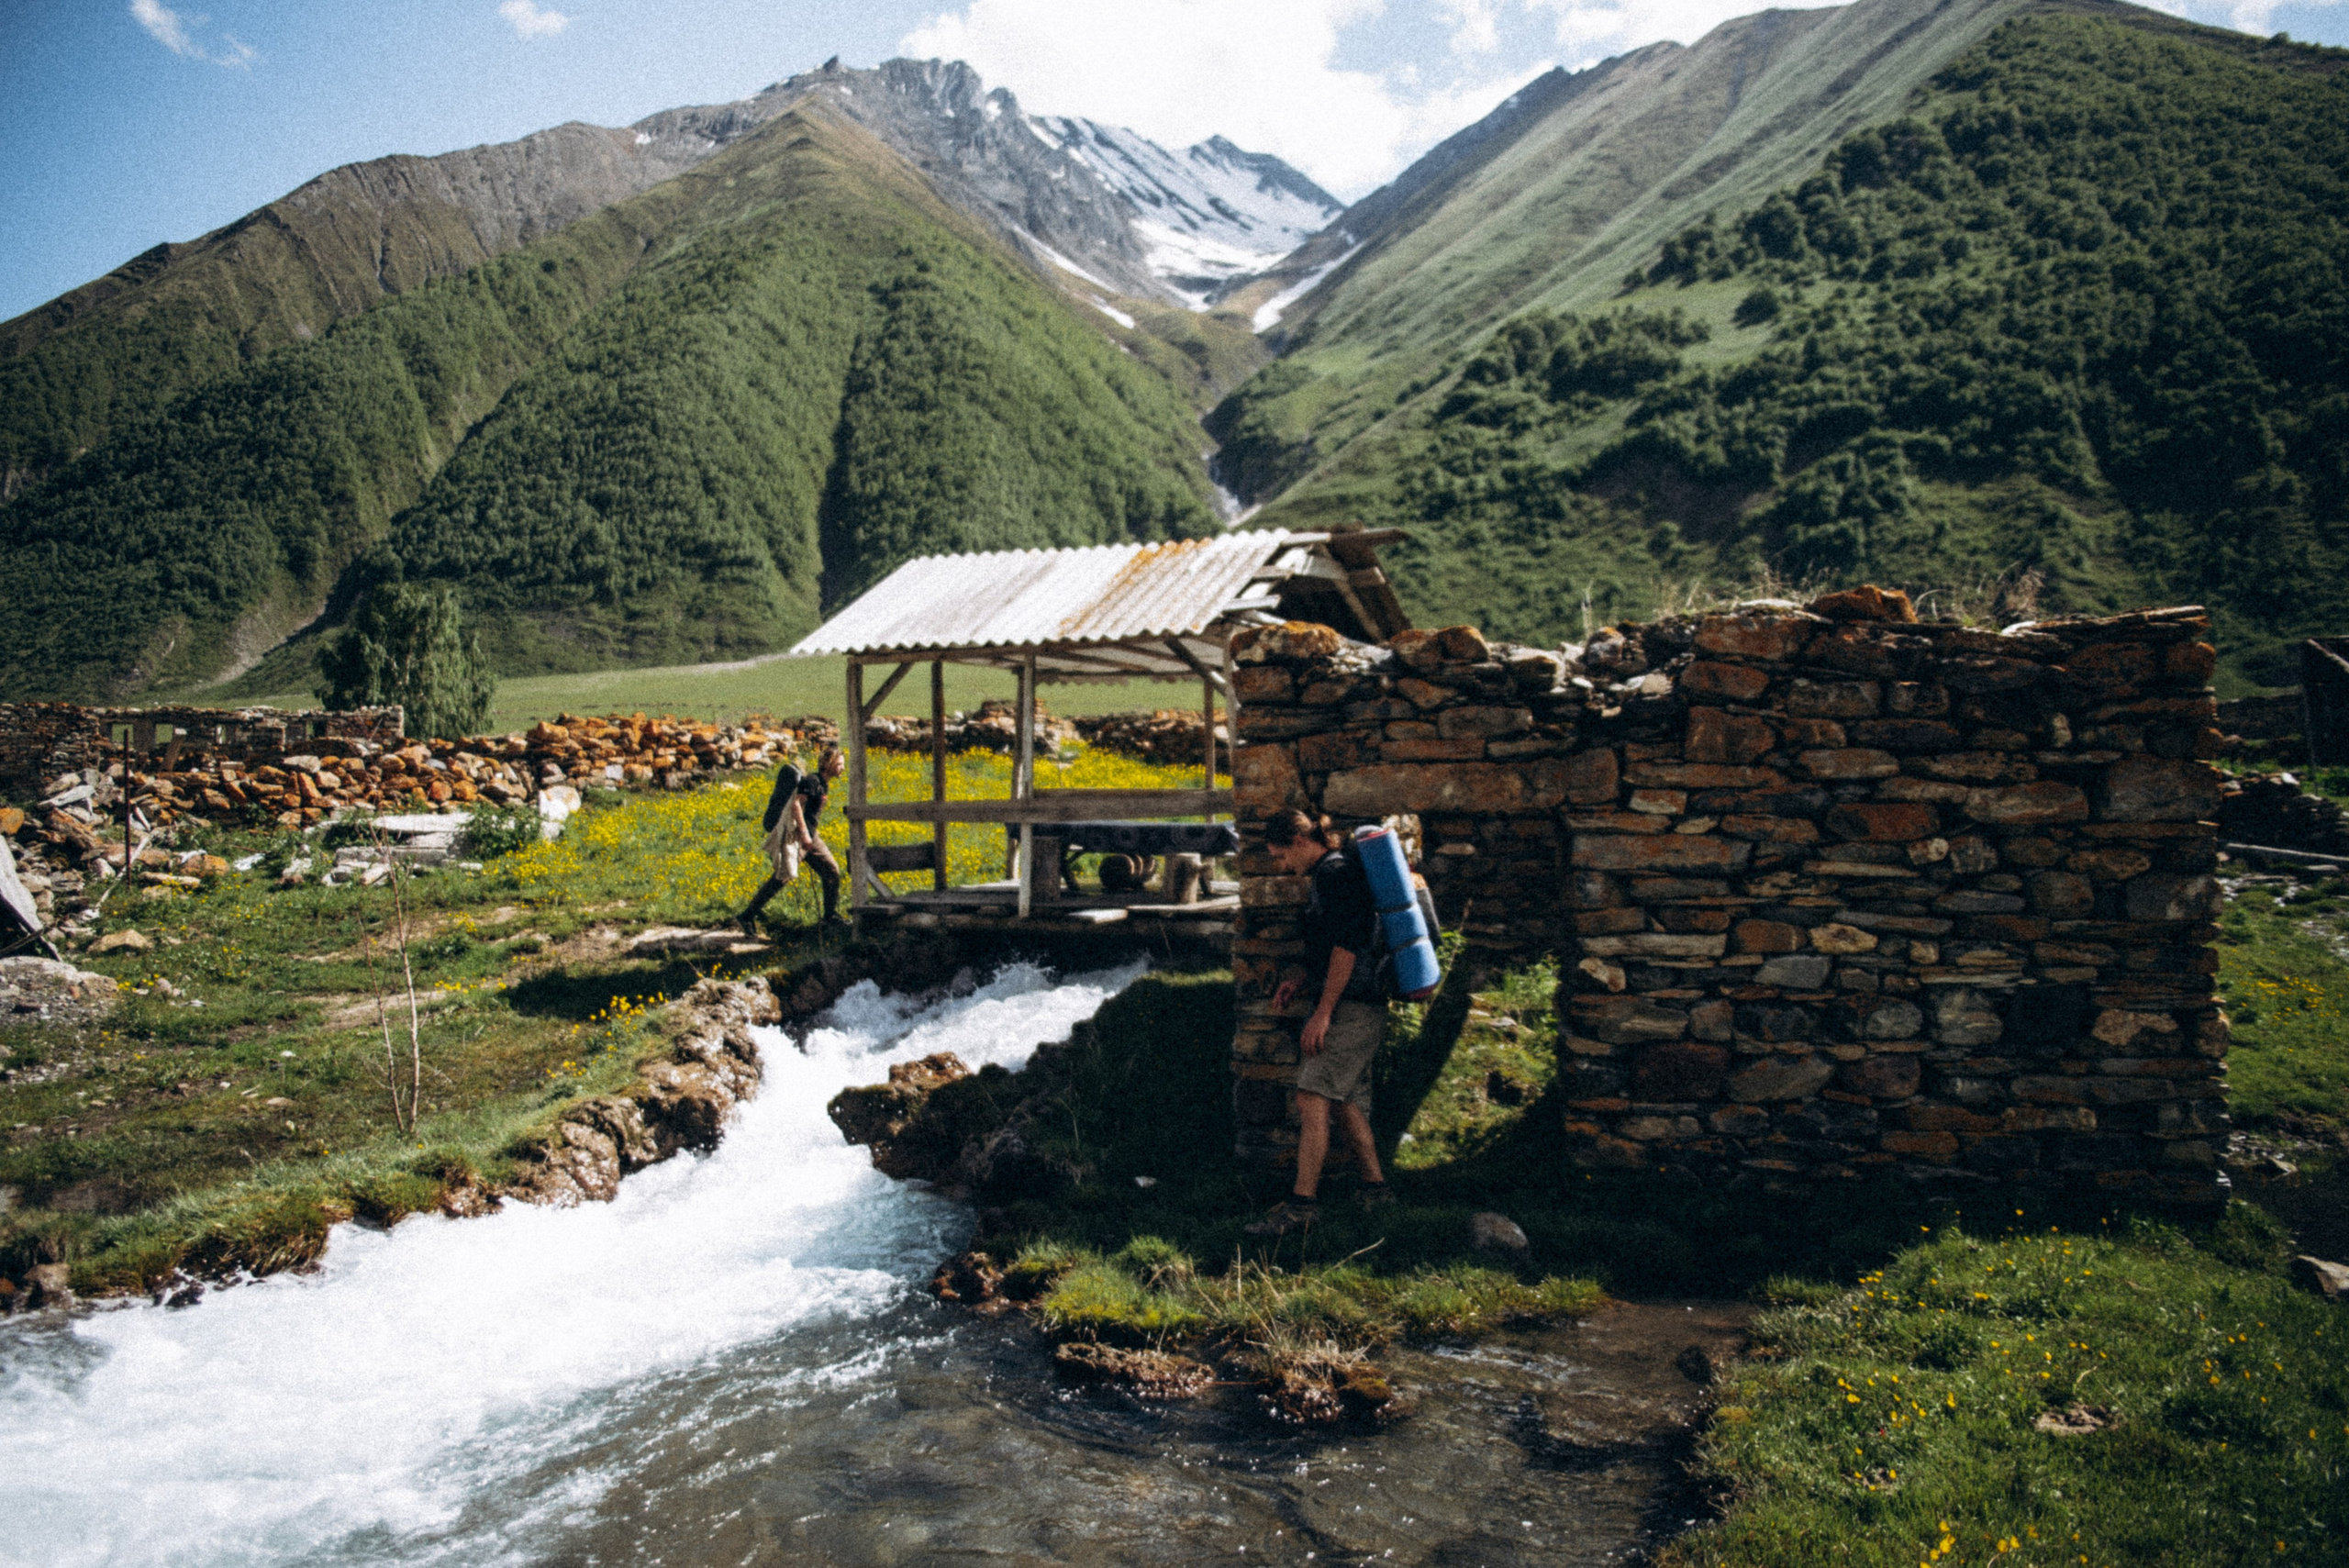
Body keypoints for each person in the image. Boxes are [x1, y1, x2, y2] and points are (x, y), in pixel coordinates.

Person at [1246, 807, 1393, 1235]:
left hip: (1354, 1005)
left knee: (1311, 1097)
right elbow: (1335, 944)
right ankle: (1376, 1190)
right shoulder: (1332, 873)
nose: (1281, 866)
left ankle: (1301, 1208)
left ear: (1297, 841)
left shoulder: (1334, 874)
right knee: (1342, 1098)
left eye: (1280, 856)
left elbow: (1348, 947)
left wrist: (1324, 1013)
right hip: (1356, 999)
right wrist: (1302, 978)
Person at [739, 743, 845, 933]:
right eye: (839, 764)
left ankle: (829, 916)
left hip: (812, 837)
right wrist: (804, 834)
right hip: (799, 837)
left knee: (831, 871)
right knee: (782, 877)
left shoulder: (823, 784)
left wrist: (810, 835)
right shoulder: (812, 781)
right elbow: (796, 805)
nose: (842, 768)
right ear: (829, 764)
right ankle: (746, 916)